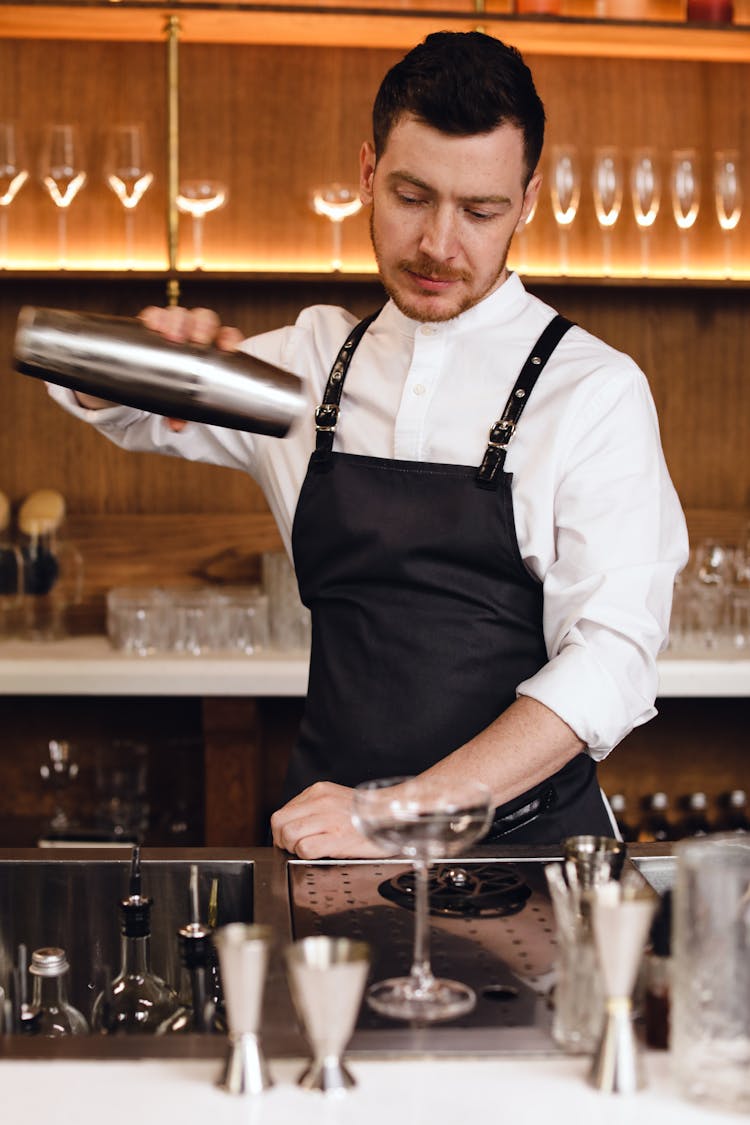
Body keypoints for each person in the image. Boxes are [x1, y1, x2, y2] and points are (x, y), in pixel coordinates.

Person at [48, 31, 688, 858]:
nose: (438, 245)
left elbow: (611, 663)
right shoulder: (311, 367)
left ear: (527, 202)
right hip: (331, 838)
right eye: (412, 196)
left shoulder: (594, 392)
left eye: (481, 211)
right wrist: (140, 358)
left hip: (525, 852)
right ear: (365, 175)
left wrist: (401, 810)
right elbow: (118, 407)